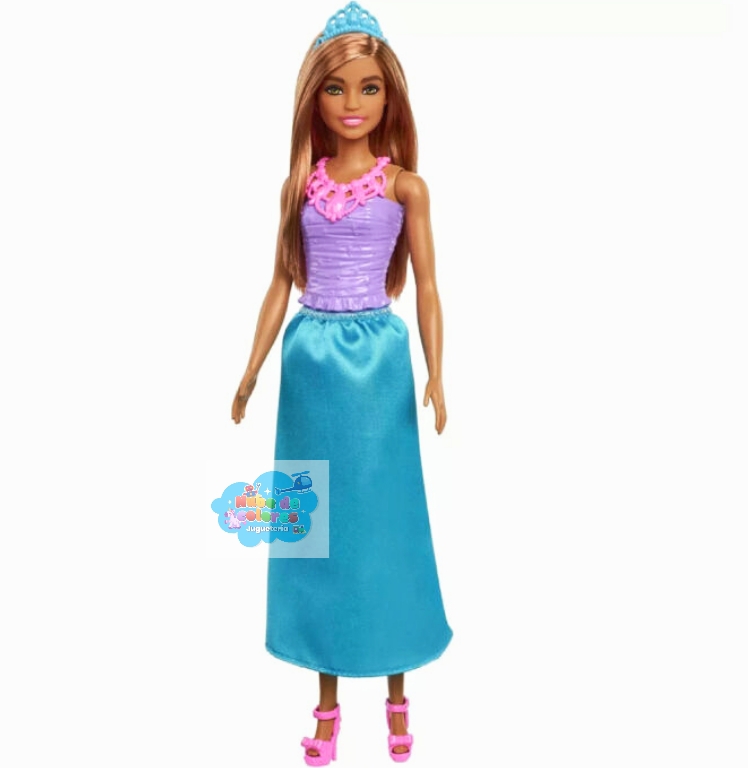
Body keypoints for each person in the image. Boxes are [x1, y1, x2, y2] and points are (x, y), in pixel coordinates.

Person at [231, 3, 453, 763]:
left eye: (368, 88)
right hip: (311, 368)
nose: (352, 104)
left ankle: (396, 690)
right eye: (336, 88)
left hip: (377, 365)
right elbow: (278, 282)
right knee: (315, 529)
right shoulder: (300, 185)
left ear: (390, 97)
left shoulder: (405, 188)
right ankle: (325, 701)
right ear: (314, 97)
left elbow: (428, 286)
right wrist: (251, 368)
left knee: (386, 523)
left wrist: (437, 372)